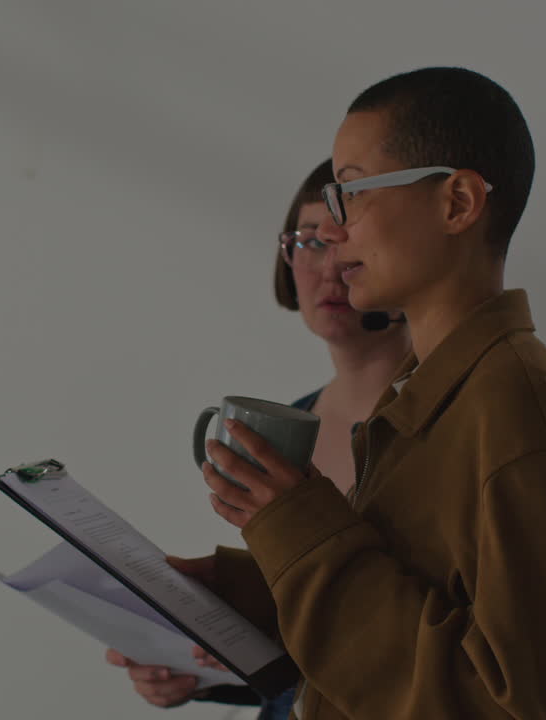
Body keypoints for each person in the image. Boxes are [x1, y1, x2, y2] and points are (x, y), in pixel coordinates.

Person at [194, 67, 546, 719]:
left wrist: (300, 533)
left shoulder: (516, 409)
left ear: (457, 203)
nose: (335, 233)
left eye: (353, 195)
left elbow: (515, 707)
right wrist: (230, 593)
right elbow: (419, 611)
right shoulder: (438, 398)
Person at [104, 159, 413, 718]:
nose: (330, 267)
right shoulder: (290, 422)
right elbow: (306, 636)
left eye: (348, 241)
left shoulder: (438, 426)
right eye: (309, 242)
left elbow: (402, 650)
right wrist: (199, 671)